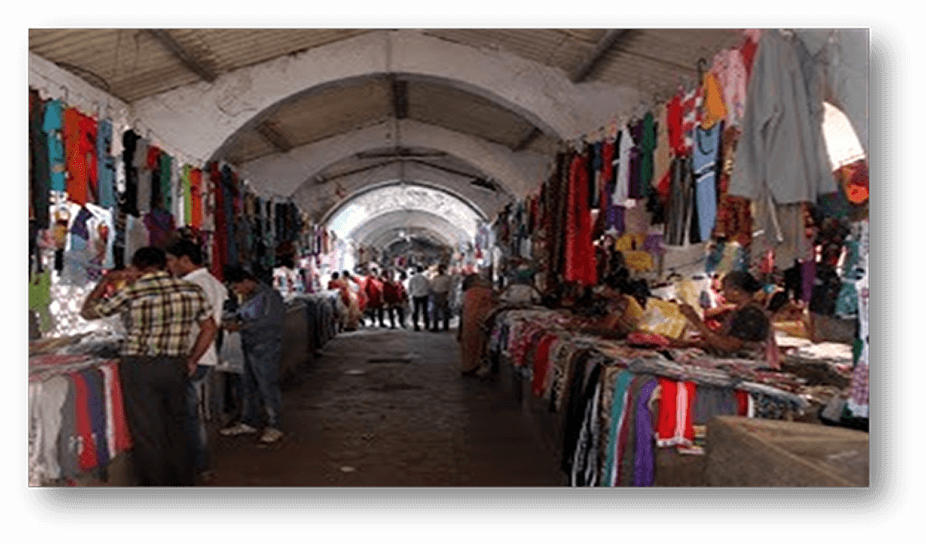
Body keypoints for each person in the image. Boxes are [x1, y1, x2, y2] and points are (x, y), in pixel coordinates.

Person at [80, 246, 217, 486]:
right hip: (175, 364)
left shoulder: (133, 291)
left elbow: (88, 313)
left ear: (137, 267)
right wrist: (193, 358)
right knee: (177, 424)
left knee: (147, 430)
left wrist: (105, 282)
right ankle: (182, 482)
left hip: (139, 366)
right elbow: (209, 328)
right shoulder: (191, 289)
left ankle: (156, 486)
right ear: (165, 264)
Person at [165, 238, 228, 484]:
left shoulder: (193, 286)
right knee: (189, 413)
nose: (169, 266)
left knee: (187, 416)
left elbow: (208, 327)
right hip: (203, 355)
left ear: (185, 260)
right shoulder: (212, 282)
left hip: (194, 355)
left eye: (171, 260)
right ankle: (196, 465)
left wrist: (192, 359)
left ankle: (196, 466)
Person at [219, 266, 287, 443]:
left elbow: (270, 322)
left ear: (247, 281)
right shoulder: (250, 297)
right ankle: (249, 421)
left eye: (237, 287)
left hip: (266, 347)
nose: (237, 291)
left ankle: (275, 425)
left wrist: (241, 327)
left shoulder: (270, 296)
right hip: (248, 345)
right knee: (247, 386)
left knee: (267, 386)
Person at [675, 271, 781, 368]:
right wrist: (685, 343)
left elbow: (728, 345)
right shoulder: (738, 311)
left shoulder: (750, 314)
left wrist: (696, 321)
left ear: (736, 291)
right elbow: (716, 337)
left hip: (748, 365)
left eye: (725, 288)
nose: (723, 292)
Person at [575, 273, 643, 340]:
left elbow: (607, 326)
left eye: (606, 288)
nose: (603, 290)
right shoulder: (615, 300)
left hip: (634, 335)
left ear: (616, 290)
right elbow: (606, 321)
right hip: (628, 334)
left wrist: (584, 327)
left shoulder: (624, 301)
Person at [457, 273, 497, 376]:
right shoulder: (484, 292)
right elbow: (496, 301)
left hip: (469, 321)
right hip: (479, 321)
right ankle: (473, 367)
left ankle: (467, 366)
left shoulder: (469, 293)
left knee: (468, 345)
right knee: (476, 345)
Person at [429, 264, 453, 332]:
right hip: (439, 294)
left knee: (442, 311)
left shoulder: (445, 278)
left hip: (441, 294)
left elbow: (431, 286)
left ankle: (442, 326)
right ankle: (439, 326)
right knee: (438, 311)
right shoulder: (440, 278)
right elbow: (432, 286)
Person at [408, 265, 431, 331]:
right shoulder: (425, 278)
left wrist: (410, 294)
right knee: (425, 311)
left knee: (415, 311)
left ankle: (415, 325)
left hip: (415, 296)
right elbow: (428, 287)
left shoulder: (412, 278)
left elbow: (410, 288)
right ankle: (426, 325)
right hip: (424, 295)